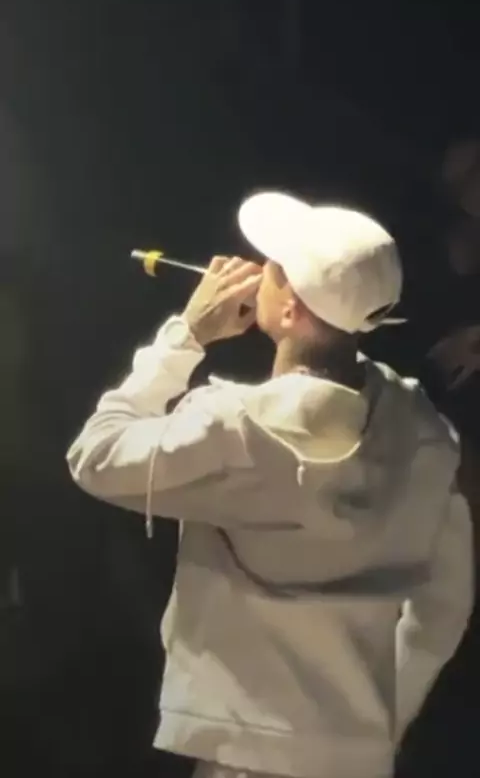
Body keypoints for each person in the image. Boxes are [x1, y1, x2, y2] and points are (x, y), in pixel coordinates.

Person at [67, 192, 473, 778]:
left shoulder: (233, 427)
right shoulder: (426, 436)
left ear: (290, 312)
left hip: (248, 757)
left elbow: (95, 455)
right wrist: (375, 723)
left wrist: (186, 336)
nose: (258, 270)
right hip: (357, 757)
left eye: (274, 269)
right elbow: (444, 607)